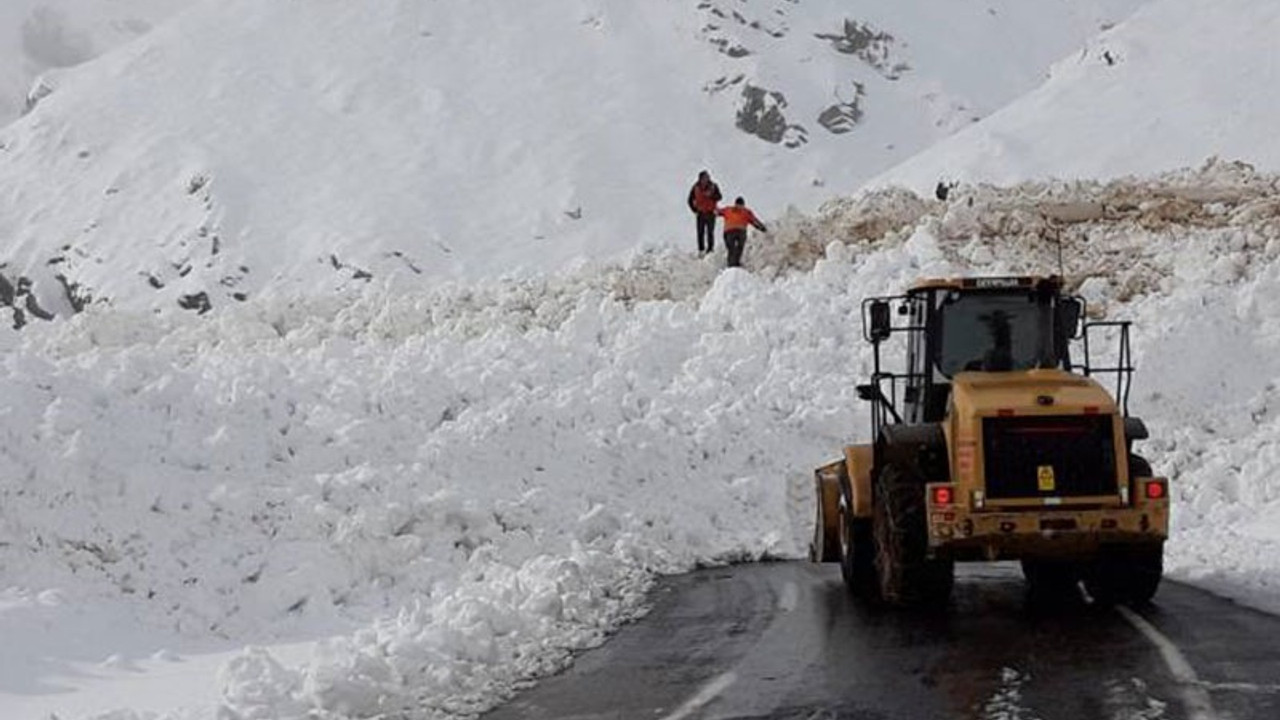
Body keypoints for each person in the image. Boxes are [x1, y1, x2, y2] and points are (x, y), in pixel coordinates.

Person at [717, 197, 768, 268]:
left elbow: (717, 212)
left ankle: (732, 264)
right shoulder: (741, 211)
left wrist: (762, 228)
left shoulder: (730, 210)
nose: (740, 207)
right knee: (735, 248)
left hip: (733, 231)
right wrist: (763, 228)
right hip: (735, 232)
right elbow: (754, 221)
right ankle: (733, 264)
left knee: (734, 248)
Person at [687, 170, 722, 254]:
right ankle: (701, 249)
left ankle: (710, 249)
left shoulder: (713, 186)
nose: (706, 180)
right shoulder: (695, 187)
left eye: (707, 178)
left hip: (710, 212)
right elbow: (690, 200)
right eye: (704, 178)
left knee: (710, 232)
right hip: (700, 213)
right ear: (700, 179)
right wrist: (694, 209)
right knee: (700, 232)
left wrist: (711, 195)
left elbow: (719, 196)